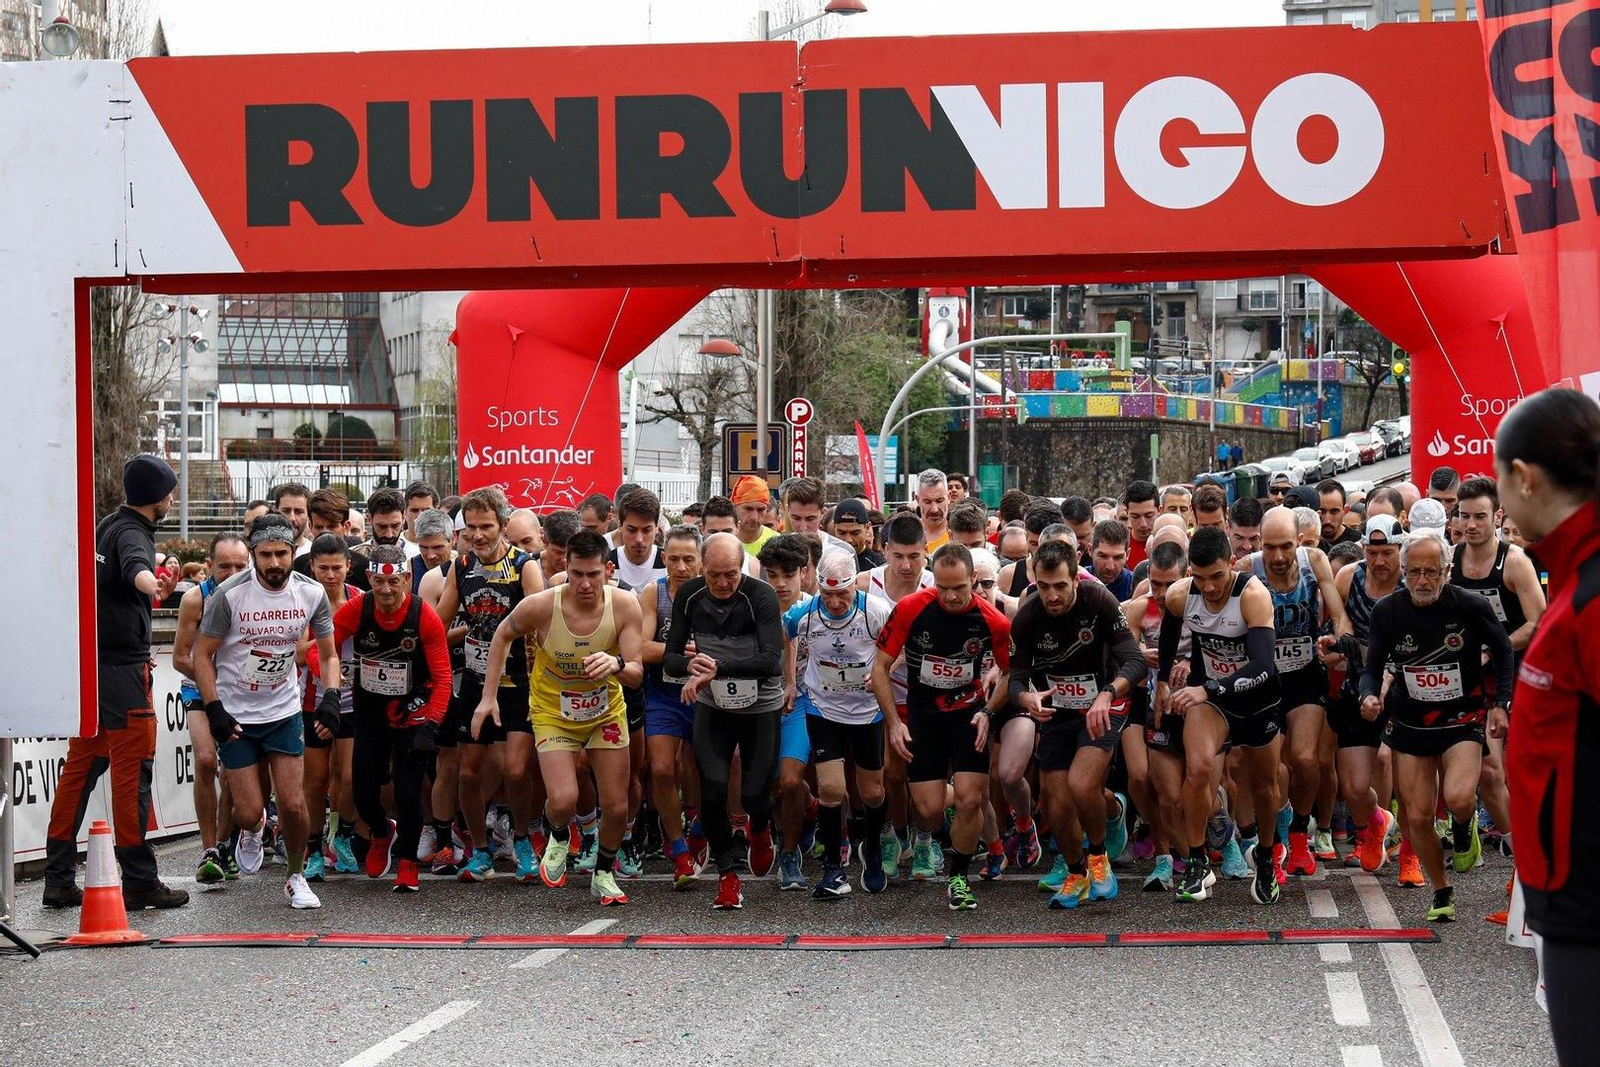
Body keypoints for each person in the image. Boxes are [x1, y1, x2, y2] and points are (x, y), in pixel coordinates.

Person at [1493, 389, 1600, 1063]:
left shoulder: (1592, 590)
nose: (1503, 504)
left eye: (1501, 481)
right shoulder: (1571, 572)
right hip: (1567, 893)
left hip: (1586, 895)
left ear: (1525, 476)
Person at [44, 456, 188, 911]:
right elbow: (137, 572)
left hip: (95, 670)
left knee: (79, 773)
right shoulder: (132, 534)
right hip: (124, 673)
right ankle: (141, 881)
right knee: (132, 775)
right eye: (170, 491)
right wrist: (159, 584)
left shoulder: (111, 523)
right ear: (158, 496)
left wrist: (153, 570)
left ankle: (57, 878)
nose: (173, 498)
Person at [476, 530, 644, 906]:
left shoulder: (625, 605)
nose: (585, 583)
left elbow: (635, 673)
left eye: (594, 574)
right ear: (565, 568)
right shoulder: (541, 606)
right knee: (564, 799)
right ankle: (558, 832)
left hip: (604, 712)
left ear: (608, 571)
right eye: (577, 574)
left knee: (616, 806)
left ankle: (603, 872)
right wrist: (488, 697)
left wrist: (615, 664)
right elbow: (502, 635)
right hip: (554, 711)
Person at [1362, 530, 1512, 922]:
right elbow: (1372, 666)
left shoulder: (1469, 605)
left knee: (1461, 796)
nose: (1423, 581)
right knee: (1417, 817)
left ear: (1447, 571)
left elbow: (1503, 647)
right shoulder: (1388, 611)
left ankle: (1464, 826)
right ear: (1403, 572)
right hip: (1411, 722)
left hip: (1461, 717)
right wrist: (1368, 696)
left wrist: (1502, 703)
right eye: (1415, 572)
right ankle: (1441, 889)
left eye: (1432, 572)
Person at [192, 515, 339, 910]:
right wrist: (214, 708)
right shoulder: (228, 594)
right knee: (248, 811)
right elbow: (201, 654)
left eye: (281, 554)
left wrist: (330, 697)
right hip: (237, 713)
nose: (274, 563)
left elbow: (328, 654)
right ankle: (250, 830)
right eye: (265, 555)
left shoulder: (311, 593)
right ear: (253, 554)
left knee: (293, 805)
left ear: (294, 553)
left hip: (284, 710)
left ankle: (296, 875)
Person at [874, 543, 1011, 911]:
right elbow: (879, 668)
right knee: (930, 810)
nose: (951, 596)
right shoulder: (910, 608)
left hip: (969, 716)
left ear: (973, 582)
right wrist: (892, 723)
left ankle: (959, 876)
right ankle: (950, 807)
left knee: (971, 798)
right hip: (923, 716)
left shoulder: (993, 621)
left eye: (960, 588)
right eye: (943, 588)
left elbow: (1012, 673)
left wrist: (990, 712)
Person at [1009, 540, 1143, 909]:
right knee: (1056, 802)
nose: (1052, 595)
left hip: (1104, 705)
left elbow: (1135, 661)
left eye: (1061, 586)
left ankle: (1098, 860)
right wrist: (1027, 699)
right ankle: (1075, 871)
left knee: (1081, 784)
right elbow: (1015, 680)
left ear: (1076, 580)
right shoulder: (1027, 618)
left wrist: (1107, 692)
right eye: (1044, 585)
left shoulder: (1099, 602)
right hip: (1059, 713)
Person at [310, 545, 451, 892]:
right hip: (370, 712)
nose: (386, 590)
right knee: (361, 791)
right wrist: (330, 676)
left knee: (407, 793)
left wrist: (431, 725)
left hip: (412, 712)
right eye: (378, 582)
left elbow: (444, 677)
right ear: (369, 579)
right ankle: (380, 831)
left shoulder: (423, 615)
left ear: (406, 578)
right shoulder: (359, 608)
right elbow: (318, 649)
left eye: (393, 582)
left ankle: (406, 863)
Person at [1156, 525, 1284, 905]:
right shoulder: (1180, 596)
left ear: (1231, 563)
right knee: (1197, 770)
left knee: (1263, 785)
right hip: (1211, 700)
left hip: (1257, 700)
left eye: (1217, 576)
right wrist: (1164, 681)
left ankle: (1263, 854)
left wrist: (1208, 686)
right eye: (1200, 577)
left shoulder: (1253, 596)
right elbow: (1167, 635)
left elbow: (1264, 665)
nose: (1209, 587)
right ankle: (1197, 859)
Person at [664, 533, 787, 910]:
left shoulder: (761, 595)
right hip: (713, 706)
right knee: (712, 794)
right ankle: (728, 876)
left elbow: (771, 662)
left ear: (743, 567)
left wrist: (715, 668)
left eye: (731, 574)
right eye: (715, 574)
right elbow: (670, 657)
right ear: (703, 568)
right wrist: (690, 665)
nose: (722, 584)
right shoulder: (689, 596)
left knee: (753, 795)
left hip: (760, 706)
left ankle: (762, 828)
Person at [434, 487, 545, 883]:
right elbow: (438, 621)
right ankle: (479, 850)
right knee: (468, 773)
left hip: (519, 683)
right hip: (475, 681)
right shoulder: (460, 566)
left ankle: (520, 839)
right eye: (471, 527)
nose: (478, 535)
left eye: (486, 527)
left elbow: (541, 622)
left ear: (503, 526)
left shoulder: (524, 566)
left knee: (516, 771)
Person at [1449, 475, 1544, 884]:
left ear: (1498, 516)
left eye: (1481, 517)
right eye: (1465, 516)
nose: (1472, 525)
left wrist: (1495, 645)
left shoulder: (1513, 561)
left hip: (1518, 672)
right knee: (1488, 773)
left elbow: (1541, 622)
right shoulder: (1451, 560)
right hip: (1470, 677)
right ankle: (1514, 846)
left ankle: (1531, 858)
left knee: (1520, 770)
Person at [1248, 508, 1350, 878]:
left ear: (1300, 541)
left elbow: (1339, 614)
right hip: (1265, 680)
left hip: (1306, 672)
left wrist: (1338, 639)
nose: (1277, 556)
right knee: (1272, 770)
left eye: (1286, 546)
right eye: (1269, 546)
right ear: (1260, 543)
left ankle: (1300, 834)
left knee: (1306, 760)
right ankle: (1272, 843)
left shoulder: (1316, 560)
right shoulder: (1247, 568)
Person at [788, 551, 894, 897]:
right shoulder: (804, 614)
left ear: (854, 586)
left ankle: (873, 848)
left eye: (842, 595)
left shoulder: (874, 611)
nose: (834, 602)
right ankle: (833, 869)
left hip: (867, 711)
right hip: (824, 707)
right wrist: (791, 680)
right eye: (827, 594)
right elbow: (785, 634)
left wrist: (881, 671)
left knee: (872, 792)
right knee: (831, 790)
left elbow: (899, 645)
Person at [855, 513, 934, 872]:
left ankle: (924, 839)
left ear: (925, 553)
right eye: (898, 555)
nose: (906, 565)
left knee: (919, 777)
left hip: (923, 698)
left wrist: (891, 662)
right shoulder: (862, 584)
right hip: (873, 699)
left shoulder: (937, 587)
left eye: (914, 557)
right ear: (884, 550)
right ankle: (892, 834)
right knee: (886, 775)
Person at [173, 533, 251, 885]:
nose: (232, 572)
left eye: (239, 566)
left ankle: (223, 845)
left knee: (232, 772)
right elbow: (178, 658)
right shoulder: (195, 600)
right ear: (209, 566)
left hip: (242, 694)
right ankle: (207, 849)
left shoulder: (256, 597)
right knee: (206, 759)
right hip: (199, 691)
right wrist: (211, 683)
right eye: (224, 566)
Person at [640, 525, 707, 886]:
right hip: (664, 694)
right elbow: (639, 647)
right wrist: (679, 655)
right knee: (662, 769)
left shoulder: (714, 591)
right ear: (663, 558)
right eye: (674, 559)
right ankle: (678, 848)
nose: (681, 567)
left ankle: (699, 826)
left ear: (700, 560)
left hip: (705, 695)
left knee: (708, 770)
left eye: (688, 559)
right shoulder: (655, 592)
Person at [1124, 539, 1191, 893]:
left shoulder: (1199, 607)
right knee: (1151, 783)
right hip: (1150, 706)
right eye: (1157, 583)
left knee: (1198, 787)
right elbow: (1121, 648)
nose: (1163, 593)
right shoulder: (1140, 609)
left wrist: (1189, 663)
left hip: (1197, 708)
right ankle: (1165, 855)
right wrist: (1140, 656)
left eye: (1171, 584)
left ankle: (1219, 839)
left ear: (1187, 577)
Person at [297, 533, 361, 880]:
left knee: (348, 778)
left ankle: (341, 838)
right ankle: (313, 849)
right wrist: (327, 637)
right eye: (324, 568)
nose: (331, 575)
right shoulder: (301, 602)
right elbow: (294, 654)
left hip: (353, 703)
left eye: (337, 568)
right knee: (315, 780)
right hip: (313, 703)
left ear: (349, 567)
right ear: (312, 567)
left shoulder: (362, 600)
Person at [758, 535, 817, 891]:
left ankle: (790, 853)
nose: (780, 583)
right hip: (758, 703)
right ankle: (807, 806)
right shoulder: (752, 606)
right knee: (773, 786)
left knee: (790, 780)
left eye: (788, 575)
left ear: (805, 573)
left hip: (803, 702)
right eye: (772, 575)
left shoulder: (819, 608)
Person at [783, 477, 854, 557]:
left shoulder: (843, 552)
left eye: (810, 519)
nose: (803, 527)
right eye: (796, 518)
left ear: (823, 513)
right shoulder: (778, 552)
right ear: (787, 510)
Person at [360, 487, 420, 561]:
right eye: (382, 526)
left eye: (395, 526)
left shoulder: (417, 557)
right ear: (369, 519)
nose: (389, 535)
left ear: (404, 517)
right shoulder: (356, 557)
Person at [728, 476, 778, 557]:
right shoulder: (724, 541)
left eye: (761, 510)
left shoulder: (777, 543)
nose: (754, 517)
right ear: (734, 506)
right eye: (748, 509)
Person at [831, 497, 884, 571]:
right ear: (834, 527)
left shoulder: (878, 568)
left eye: (855, 533)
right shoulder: (824, 562)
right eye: (842, 533)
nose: (848, 540)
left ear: (867, 528)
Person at [1090, 519, 1135, 600]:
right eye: (1103, 556)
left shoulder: (1135, 586)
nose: (1110, 567)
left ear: (1128, 554)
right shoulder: (1076, 582)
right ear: (1091, 550)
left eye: (1118, 558)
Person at [1123, 480, 1158, 568]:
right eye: (1135, 516)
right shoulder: (1119, 547)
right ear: (1127, 512)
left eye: (1149, 516)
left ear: (1159, 510)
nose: (1143, 524)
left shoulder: (1171, 543)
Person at [915, 469, 952, 552]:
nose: (934, 509)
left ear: (949, 497)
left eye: (939, 501)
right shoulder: (908, 535)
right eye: (927, 502)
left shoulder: (960, 535)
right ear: (917, 500)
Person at [1317, 480, 1359, 552]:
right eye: (1322, 512)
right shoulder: (1306, 543)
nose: (1327, 520)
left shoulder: (1358, 542)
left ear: (1345, 511)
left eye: (1334, 512)